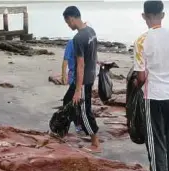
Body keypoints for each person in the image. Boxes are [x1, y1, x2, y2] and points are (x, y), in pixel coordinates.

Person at [133, 1, 169, 171]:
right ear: (163, 15)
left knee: (156, 143)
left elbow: (141, 76)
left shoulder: (141, 40)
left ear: (144, 16)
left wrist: (135, 84)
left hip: (154, 95)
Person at [62, 6, 101, 153]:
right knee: (67, 101)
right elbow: (94, 54)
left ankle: (95, 143)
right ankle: (63, 132)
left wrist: (78, 89)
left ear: (71, 18)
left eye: (67, 22)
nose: (68, 25)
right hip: (90, 75)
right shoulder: (91, 31)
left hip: (84, 79)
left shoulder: (78, 38)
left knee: (84, 110)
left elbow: (80, 65)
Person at [62, 39, 84, 135]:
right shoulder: (73, 43)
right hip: (76, 77)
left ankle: (69, 125)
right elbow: (66, 60)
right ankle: (77, 125)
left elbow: (65, 60)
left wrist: (63, 75)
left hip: (78, 78)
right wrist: (63, 75)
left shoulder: (78, 43)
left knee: (68, 100)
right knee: (74, 101)